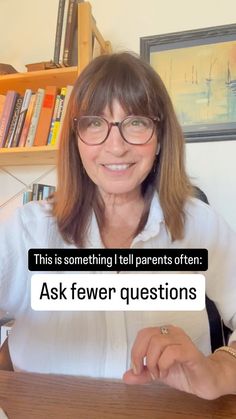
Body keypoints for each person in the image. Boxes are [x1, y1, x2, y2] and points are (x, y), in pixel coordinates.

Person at [0, 52, 236, 400]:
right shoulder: (25, 230)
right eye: (95, 123)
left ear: (160, 137)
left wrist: (222, 369)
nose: (116, 146)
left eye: (136, 122)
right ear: (75, 138)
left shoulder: (199, 224)